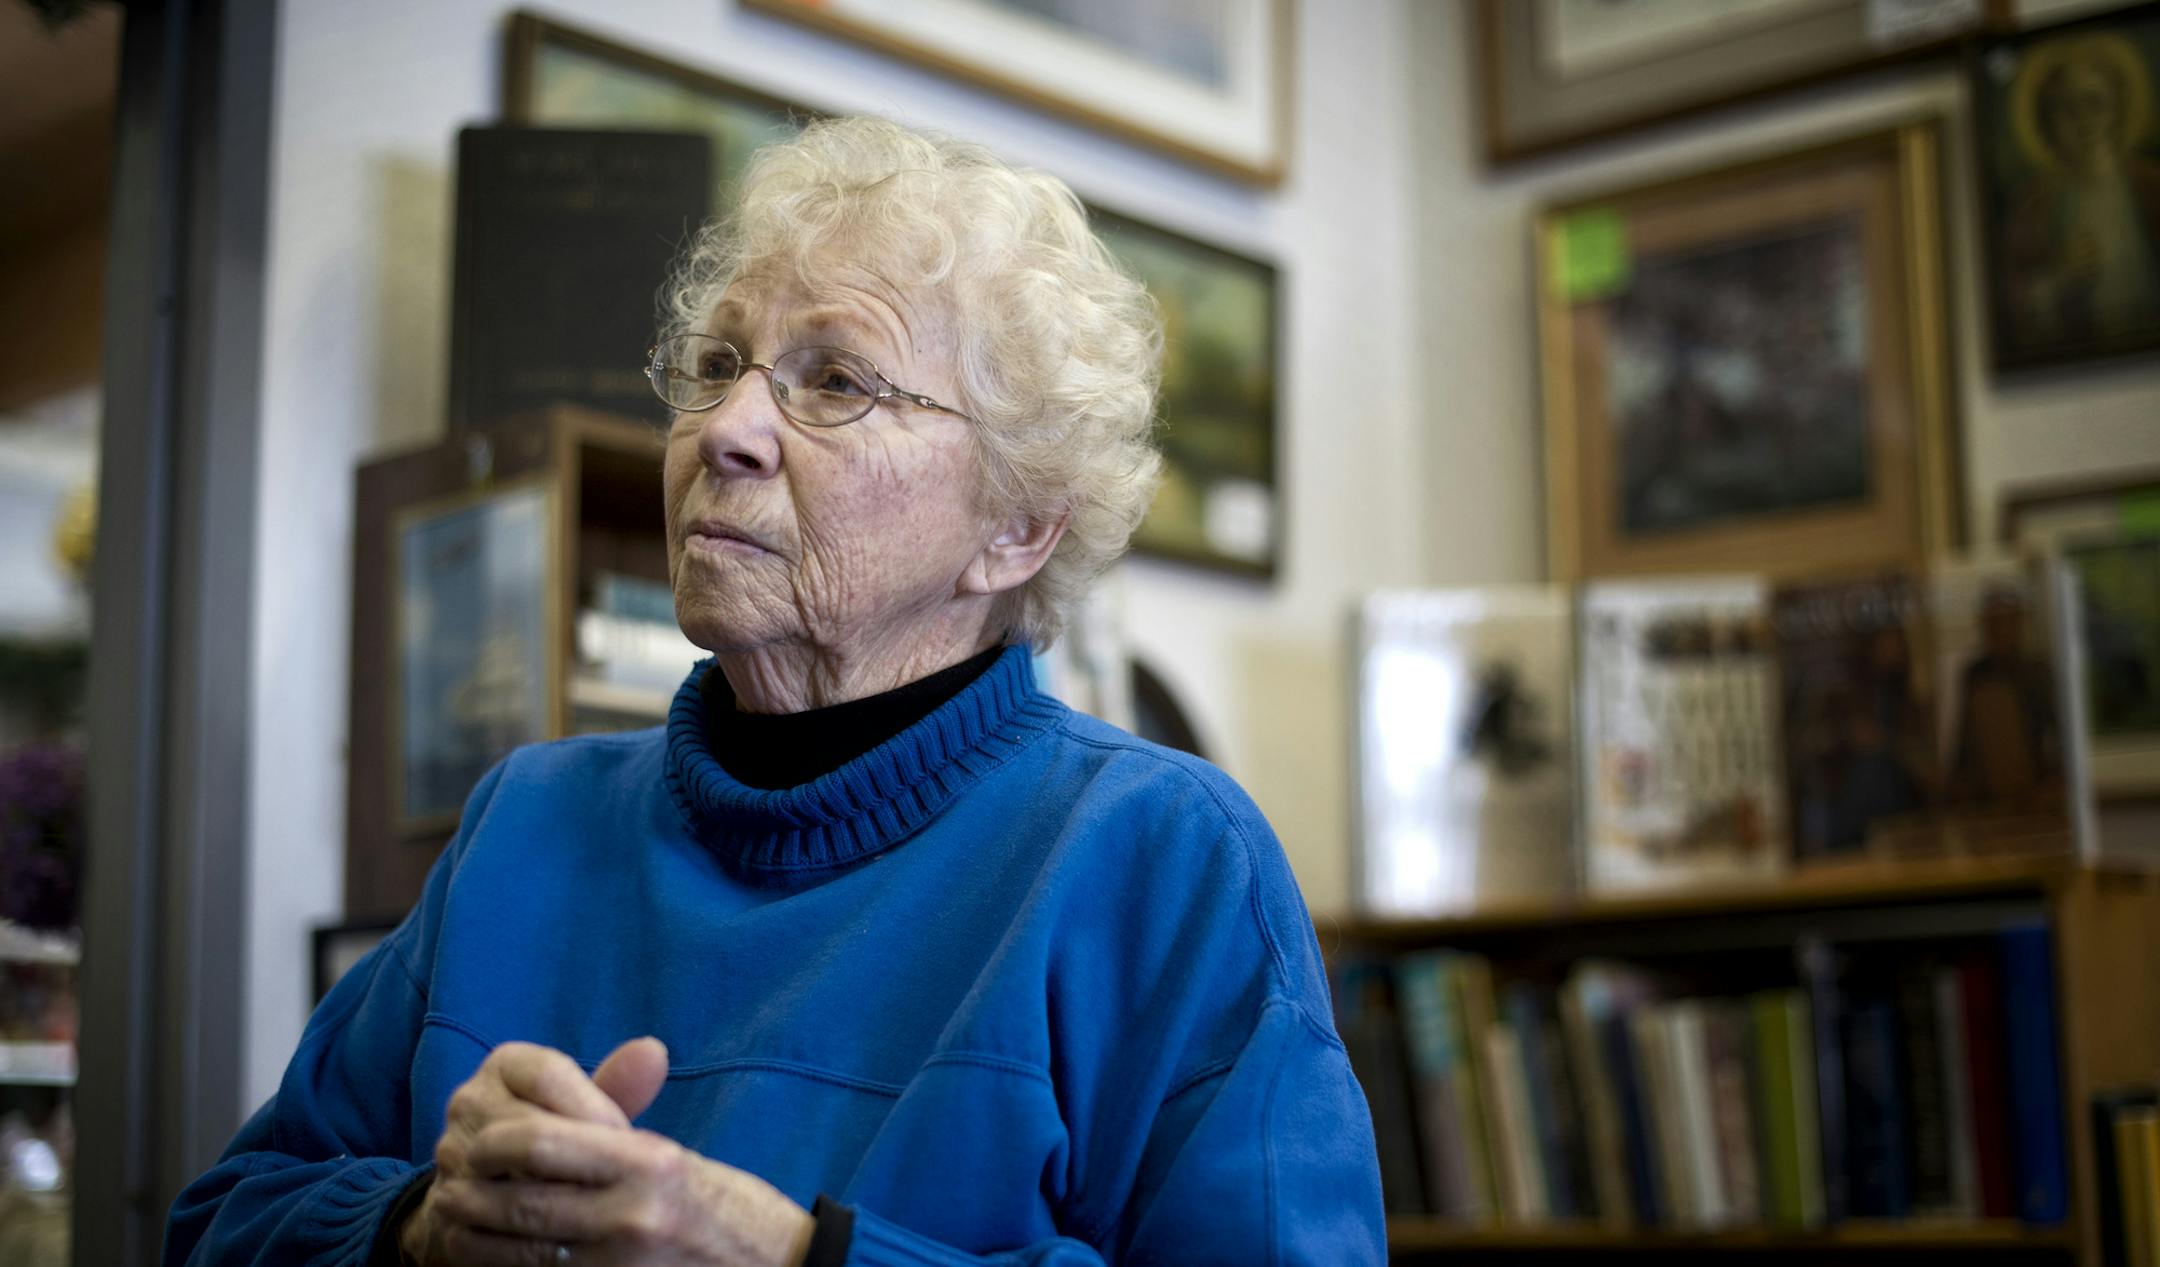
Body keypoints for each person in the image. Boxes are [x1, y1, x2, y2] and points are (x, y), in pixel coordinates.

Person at [163, 116, 1386, 1266]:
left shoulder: (1161, 859)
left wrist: (790, 1253)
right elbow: (220, 1222)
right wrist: (421, 1224)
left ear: (1015, 529)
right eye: (717, 364)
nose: (727, 429)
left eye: (838, 381)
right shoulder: (522, 823)